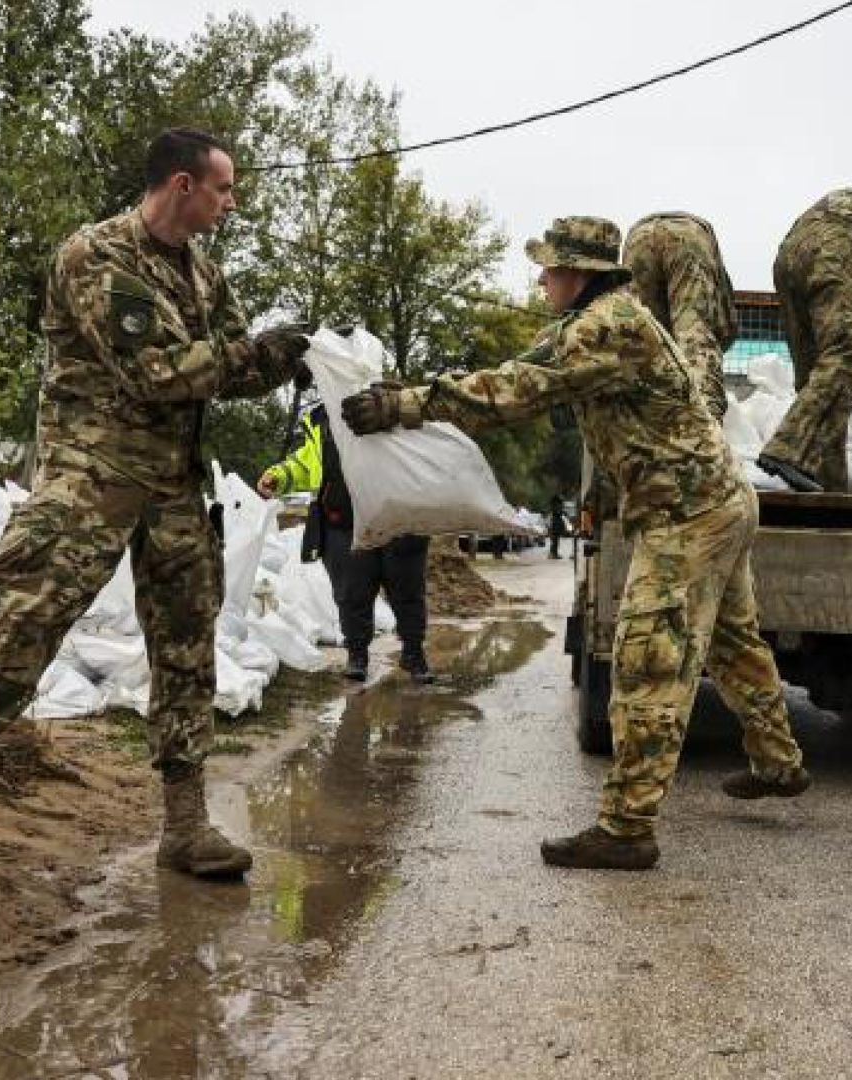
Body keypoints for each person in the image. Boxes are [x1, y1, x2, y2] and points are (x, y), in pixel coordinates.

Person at [0, 128, 310, 880]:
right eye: (223, 187)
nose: (231, 201)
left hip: (174, 488)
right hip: (92, 479)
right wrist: (252, 354)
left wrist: (293, 355)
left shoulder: (205, 276)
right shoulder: (96, 256)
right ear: (183, 185)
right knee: (20, 637)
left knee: (187, 652)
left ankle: (186, 828)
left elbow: (230, 369)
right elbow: (156, 372)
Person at [340, 216, 810, 872]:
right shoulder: (596, 322)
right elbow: (521, 366)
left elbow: (512, 392)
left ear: (579, 274)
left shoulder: (606, 326)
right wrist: (414, 394)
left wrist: (407, 406)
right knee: (733, 643)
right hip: (719, 502)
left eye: (549, 269)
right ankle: (779, 763)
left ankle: (627, 828)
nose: (539, 280)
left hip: (689, 514)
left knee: (648, 657)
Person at [756, 185, 852, 493]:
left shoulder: (837, 203)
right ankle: (788, 449)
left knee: (816, 371)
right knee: (847, 355)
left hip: (788, 257)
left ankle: (826, 481)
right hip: (835, 251)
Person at [259, 402, 432, 684]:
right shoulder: (321, 418)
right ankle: (357, 656)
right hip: (342, 523)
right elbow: (306, 462)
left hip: (399, 521)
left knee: (407, 591)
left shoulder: (398, 403)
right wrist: (280, 477)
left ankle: (413, 652)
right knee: (352, 594)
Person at [622, 212, 738, 420]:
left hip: (638, 235)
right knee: (695, 336)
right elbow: (717, 329)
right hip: (689, 233)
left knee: (637, 338)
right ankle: (704, 424)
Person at [546, 492, 569, 559]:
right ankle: (553, 554)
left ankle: (553, 554)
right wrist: (563, 512)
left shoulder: (555, 505)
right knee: (555, 540)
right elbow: (559, 512)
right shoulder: (556, 505)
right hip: (556, 524)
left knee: (555, 540)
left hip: (555, 524)